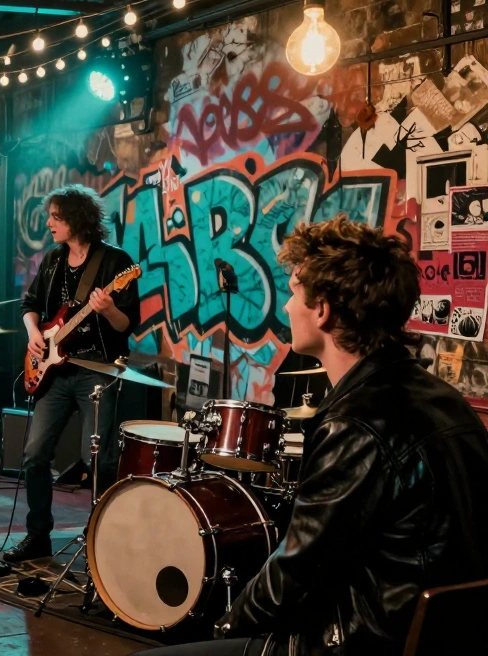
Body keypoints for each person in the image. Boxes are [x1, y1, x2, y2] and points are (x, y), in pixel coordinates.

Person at [132, 216, 488, 656]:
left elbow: (294, 575)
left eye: (294, 291)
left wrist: (224, 627)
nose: (285, 307)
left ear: (323, 310)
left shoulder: (354, 425)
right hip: (444, 633)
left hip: (361, 640)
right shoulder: (444, 399)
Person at [5, 185, 140, 563]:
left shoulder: (116, 264)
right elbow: (30, 304)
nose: (48, 223)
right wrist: (34, 335)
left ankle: (104, 539)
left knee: (98, 458)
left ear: (77, 220)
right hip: (54, 371)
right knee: (34, 454)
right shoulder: (52, 260)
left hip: (96, 368)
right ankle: (37, 537)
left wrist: (109, 308)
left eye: (55, 217)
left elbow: (127, 323)